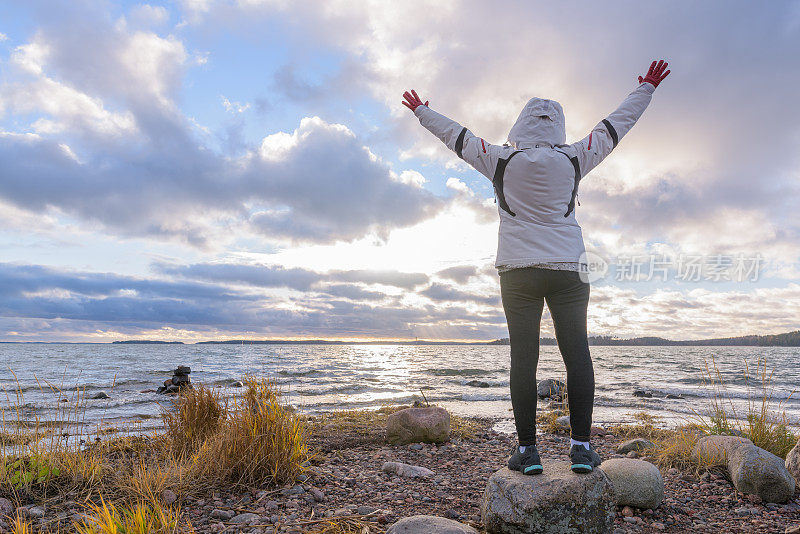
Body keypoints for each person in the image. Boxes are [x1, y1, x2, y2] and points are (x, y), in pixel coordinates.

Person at [402, 60, 670, 474]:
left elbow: (456, 136)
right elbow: (617, 125)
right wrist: (647, 88)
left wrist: (422, 111)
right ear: (558, 127)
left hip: (518, 270)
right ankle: (581, 448)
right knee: (577, 353)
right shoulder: (576, 157)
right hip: (568, 269)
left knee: (523, 359)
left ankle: (527, 452)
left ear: (519, 125)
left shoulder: (499, 159)